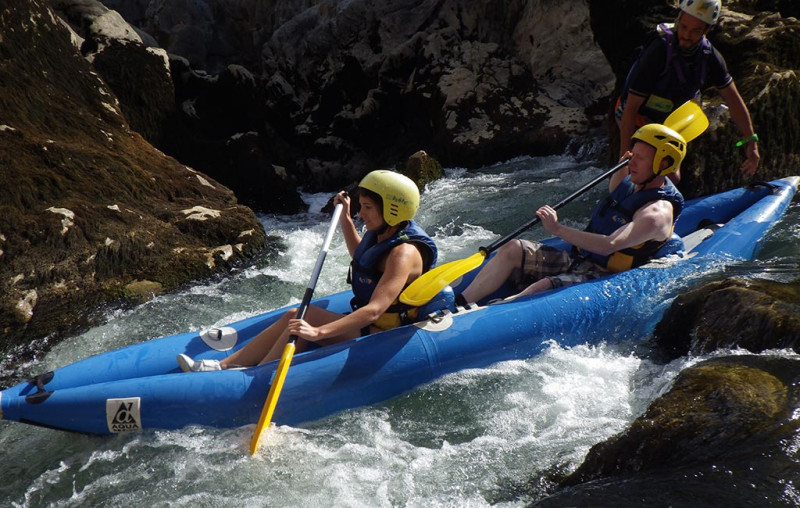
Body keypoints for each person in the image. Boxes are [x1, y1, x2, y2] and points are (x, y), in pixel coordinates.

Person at [178, 170, 438, 372]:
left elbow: (374, 310)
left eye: (368, 207)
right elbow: (364, 260)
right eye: (361, 206)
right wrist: (345, 219)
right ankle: (225, 366)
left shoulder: (403, 253)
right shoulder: (385, 234)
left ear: (392, 210)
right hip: (372, 324)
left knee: (308, 320)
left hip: (385, 333)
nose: (361, 214)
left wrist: (318, 333)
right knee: (296, 313)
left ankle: (253, 377)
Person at [457, 123, 686, 305]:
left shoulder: (656, 214)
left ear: (662, 164)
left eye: (640, 158)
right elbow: (616, 192)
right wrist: (623, 165)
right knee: (513, 248)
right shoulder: (635, 181)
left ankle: (492, 314)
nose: (631, 162)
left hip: (605, 276)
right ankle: (459, 303)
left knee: (544, 286)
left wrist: (558, 229)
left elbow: (609, 245)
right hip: (580, 259)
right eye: (631, 155)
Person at [615, 0, 759, 182]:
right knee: (652, 171)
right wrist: (625, 156)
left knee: (671, 175)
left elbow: (733, 100)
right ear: (678, 20)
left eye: (695, 31)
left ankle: (661, 201)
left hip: (673, 122)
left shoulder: (710, 57)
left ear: (707, 31)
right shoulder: (658, 50)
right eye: (683, 27)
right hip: (637, 118)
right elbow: (631, 107)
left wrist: (751, 142)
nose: (686, 35)